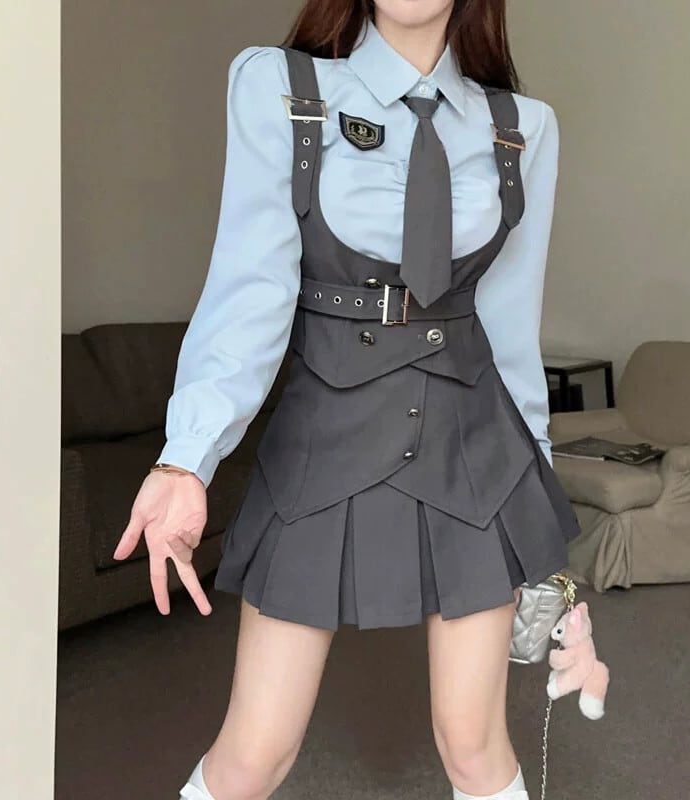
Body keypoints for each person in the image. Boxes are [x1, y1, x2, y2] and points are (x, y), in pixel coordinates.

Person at [113, 1, 580, 798]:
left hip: (474, 450)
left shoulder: (523, 128)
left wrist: (536, 500)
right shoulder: (282, 88)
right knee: (254, 753)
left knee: (474, 745)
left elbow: (509, 327)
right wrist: (186, 459)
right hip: (324, 442)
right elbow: (251, 290)